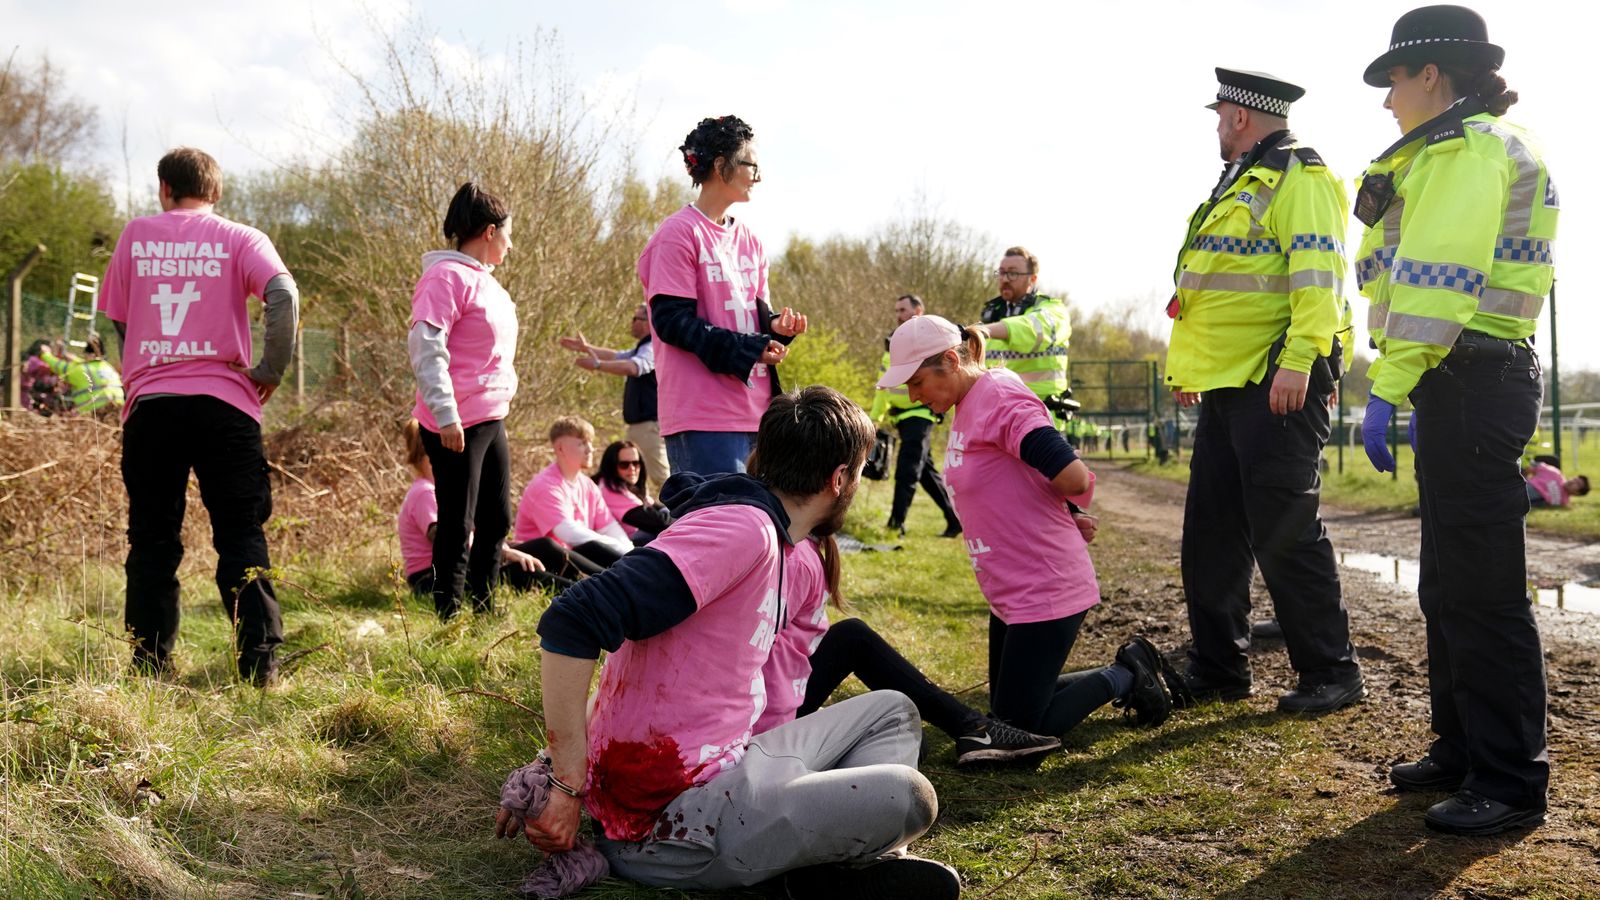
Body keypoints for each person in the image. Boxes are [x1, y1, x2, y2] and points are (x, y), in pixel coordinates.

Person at [512, 386, 961, 898]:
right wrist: (567, 780)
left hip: (728, 763)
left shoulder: (771, 535)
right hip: (667, 825)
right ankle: (828, 870)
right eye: (858, 472)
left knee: (893, 709)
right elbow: (573, 618)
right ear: (840, 480)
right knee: (910, 798)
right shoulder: (742, 530)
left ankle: (841, 867)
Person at [1355, 5, 1556, 836]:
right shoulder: (1450, 150)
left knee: (1483, 590)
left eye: (1393, 81)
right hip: (1460, 378)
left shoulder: (1467, 150)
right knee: (1448, 583)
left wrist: (1389, 383)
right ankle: (1463, 746)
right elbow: (1394, 270)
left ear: (1430, 74)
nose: (1385, 100)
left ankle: (1508, 781)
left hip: (1468, 374)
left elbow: (1441, 280)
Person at [1165, 67, 1364, 714]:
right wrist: (1194, 370)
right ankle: (1219, 667)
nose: (1217, 125)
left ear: (1240, 116)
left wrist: (1300, 360)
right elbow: (1217, 280)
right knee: (1211, 533)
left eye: (1220, 114)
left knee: (1286, 530)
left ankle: (1331, 672)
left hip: (1277, 376)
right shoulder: (1244, 179)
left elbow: (1319, 278)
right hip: (1232, 378)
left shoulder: (1299, 177)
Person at [881, 315, 1181, 739]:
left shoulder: (999, 397)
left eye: (916, 383)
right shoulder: (969, 403)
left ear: (950, 360)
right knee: (1006, 713)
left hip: (1044, 585)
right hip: (1012, 590)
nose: (913, 395)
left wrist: (1070, 502)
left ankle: (1126, 674)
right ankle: (1121, 670)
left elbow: (1071, 475)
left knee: (1021, 730)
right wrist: (1067, 509)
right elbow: (1017, 474)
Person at [98, 147, 298, 684]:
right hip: (226, 406)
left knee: (152, 538)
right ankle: (260, 666)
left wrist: (142, 371)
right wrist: (271, 369)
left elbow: (120, 321)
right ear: (217, 192)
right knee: (240, 534)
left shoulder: (136, 235)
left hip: (153, 409)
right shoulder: (242, 238)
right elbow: (283, 294)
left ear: (164, 188)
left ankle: (150, 666)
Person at [638, 115, 809, 476]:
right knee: (713, 528)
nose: (758, 177)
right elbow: (672, 322)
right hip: (702, 417)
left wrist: (776, 327)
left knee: (760, 527)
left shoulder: (751, 240)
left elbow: (751, 318)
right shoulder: (678, 234)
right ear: (720, 166)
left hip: (760, 414)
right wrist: (749, 348)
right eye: (752, 166)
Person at [408, 182, 520, 621]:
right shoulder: (444, 277)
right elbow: (425, 347)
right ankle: (448, 617)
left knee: (497, 520)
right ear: (490, 231)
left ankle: (484, 606)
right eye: (508, 234)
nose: (511, 244)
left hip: (491, 417)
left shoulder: (486, 283)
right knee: (458, 522)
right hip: (456, 423)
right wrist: (446, 414)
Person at [397, 420, 572, 597]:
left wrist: (508, 547)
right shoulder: (425, 493)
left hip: (463, 565)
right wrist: (506, 554)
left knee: (544, 547)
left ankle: (593, 581)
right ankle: (582, 597)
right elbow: (450, 538)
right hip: (430, 578)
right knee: (520, 570)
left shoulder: (447, 489)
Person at [868, 293, 961, 537]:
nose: (898, 315)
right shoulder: (892, 344)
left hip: (921, 415)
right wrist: (876, 417)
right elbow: (883, 388)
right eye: (896, 310)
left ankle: (895, 525)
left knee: (908, 469)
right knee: (926, 473)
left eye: (903, 310)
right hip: (902, 418)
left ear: (918, 311)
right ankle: (954, 519)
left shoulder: (928, 345)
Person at [559, 304, 670, 483]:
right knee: (638, 478)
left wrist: (596, 365)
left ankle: (682, 511)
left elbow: (632, 367)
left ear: (647, 323)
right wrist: (586, 348)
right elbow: (617, 356)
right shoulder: (643, 347)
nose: (632, 323)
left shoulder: (651, 348)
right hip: (642, 427)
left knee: (662, 479)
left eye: (636, 319)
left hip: (649, 426)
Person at [513, 417, 633, 574]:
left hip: (574, 555)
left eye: (590, 442)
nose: (590, 449)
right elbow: (567, 533)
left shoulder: (588, 485)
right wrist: (622, 552)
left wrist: (630, 552)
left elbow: (609, 527)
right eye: (582, 443)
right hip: (538, 563)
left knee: (605, 548)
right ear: (560, 449)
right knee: (591, 548)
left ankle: (633, 570)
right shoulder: (546, 486)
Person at [973, 246, 1072, 430]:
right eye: (1001, 273)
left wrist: (982, 331)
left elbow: (1031, 329)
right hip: (997, 418)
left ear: (1032, 279)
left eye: (1013, 274)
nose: (1004, 279)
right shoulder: (992, 315)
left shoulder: (1053, 310)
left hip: (1040, 417)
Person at [593, 440, 671, 543]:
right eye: (624, 465)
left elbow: (657, 509)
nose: (632, 468)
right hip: (620, 548)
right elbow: (660, 523)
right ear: (612, 466)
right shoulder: (609, 490)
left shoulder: (627, 486)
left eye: (636, 463)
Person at [39, 334, 124, 419]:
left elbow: (59, 367)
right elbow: (87, 364)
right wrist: (75, 359)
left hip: (97, 412)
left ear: (87, 355)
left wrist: (46, 354)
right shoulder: (106, 366)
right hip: (118, 410)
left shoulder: (81, 370)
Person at [1523, 458, 1588, 508]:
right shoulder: (1556, 474)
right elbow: (1532, 467)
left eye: (1578, 484)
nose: (1573, 481)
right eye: (1575, 479)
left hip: (1536, 502)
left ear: (1577, 493)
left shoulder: (1564, 501)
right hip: (1529, 487)